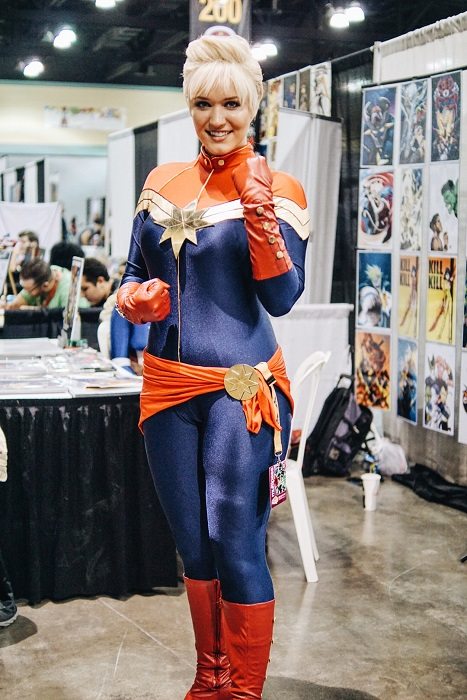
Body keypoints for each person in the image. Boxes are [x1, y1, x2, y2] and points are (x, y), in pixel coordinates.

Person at [116, 34, 309, 699]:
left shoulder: (280, 188)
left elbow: (281, 298)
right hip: (166, 390)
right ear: (189, 106)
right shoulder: (160, 183)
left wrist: (258, 213)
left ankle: (243, 690)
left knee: (235, 541)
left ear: (252, 106)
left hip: (239, 392)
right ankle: (211, 678)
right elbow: (131, 270)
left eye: (232, 104)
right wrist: (132, 299)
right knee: (193, 546)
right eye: (204, 104)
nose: (218, 118)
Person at [4, 259, 86, 310]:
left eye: (29, 290)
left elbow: (66, 320)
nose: (26, 292)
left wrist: (31, 309)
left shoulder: (68, 290)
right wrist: (7, 306)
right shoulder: (45, 274)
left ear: (45, 285)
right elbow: (14, 305)